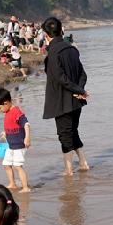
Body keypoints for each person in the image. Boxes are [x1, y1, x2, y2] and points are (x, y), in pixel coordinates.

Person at [41, 16, 90, 176]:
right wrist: (80, 90)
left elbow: (60, 78)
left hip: (62, 102)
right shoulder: (72, 49)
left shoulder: (54, 53)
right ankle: (82, 163)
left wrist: (79, 90)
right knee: (72, 131)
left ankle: (68, 170)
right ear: (61, 30)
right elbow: (83, 74)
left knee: (64, 135)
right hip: (76, 101)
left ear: (46, 34)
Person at [0, 88, 31, 192]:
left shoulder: (16, 112)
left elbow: (26, 124)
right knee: (6, 164)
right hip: (10, 145)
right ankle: (12, 184)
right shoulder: (7, 112)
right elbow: (11, 125)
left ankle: (25, 187)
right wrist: (5, 133)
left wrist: (27, 137)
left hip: (19, 145)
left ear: (6, 103)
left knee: (18, 166)